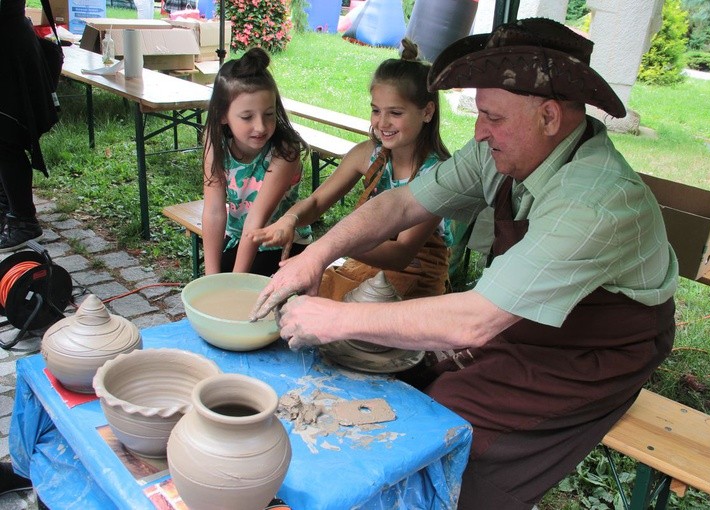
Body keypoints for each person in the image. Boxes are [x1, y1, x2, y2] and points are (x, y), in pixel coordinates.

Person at [251, 18, 679, 509]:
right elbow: (401, 205)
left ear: (550, 117)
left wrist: (337, 318)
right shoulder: (502, 151)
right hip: (518, 316)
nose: (478, 132)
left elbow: (474, 321)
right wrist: (319, 255)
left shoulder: (594, 202)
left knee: (450, 434)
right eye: (479, 114)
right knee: (410, 386)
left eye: (493, 117)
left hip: (592, 348)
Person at [246, 38, 452, 300]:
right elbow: (318, 201)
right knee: (297, 303)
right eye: (376, 110)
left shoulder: (437, 175)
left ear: (427, 112)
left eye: (396, 113)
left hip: (415, 282)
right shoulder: (369, 154)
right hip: (365, 267)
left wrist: (331, 245)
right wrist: (290, 219)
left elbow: (401, 254)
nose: (382, 122)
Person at [201, 46, 311, 276]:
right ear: (222, 115)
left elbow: (256, 219)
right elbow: (213, 211)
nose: (261, 126)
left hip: (280, 243)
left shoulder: (285, 150)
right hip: (238, 238)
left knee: (245, 296)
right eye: (247, 117)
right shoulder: (214, 141)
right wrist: (210, 279)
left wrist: (234, 282)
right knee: (215, 282)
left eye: (269, 114)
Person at [0, 0, 58, 252]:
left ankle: (23, 220)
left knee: (5, 138)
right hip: (10, 43)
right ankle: (8, 204)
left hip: (9, 48)